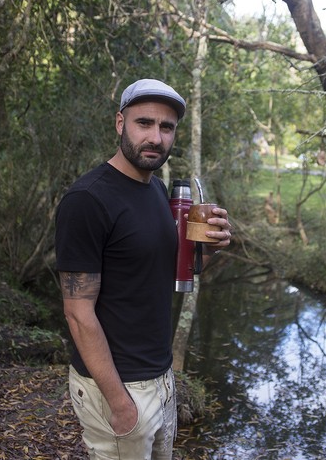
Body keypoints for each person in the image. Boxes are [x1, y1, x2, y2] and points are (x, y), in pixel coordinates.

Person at [54, 78, 231, 459]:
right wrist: (120, 404)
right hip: (117, 387)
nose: (156, 137)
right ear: (120, 123)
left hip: (159, 379)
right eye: (144, 123)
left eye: (166, 127)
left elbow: (158, 272)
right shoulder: (87, 200)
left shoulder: (154, 190)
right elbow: (77, 312)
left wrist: (210, 250)